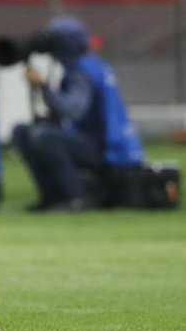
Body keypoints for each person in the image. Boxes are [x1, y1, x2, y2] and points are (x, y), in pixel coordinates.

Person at [12, 16, 145, 211]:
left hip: (105, 147)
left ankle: (77, 196)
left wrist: (43, 87)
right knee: (22, 131)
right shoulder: (93, 65)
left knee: (43, 136)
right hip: (102, 141)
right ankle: (51, 198)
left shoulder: (81, 71)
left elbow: (73, 110)